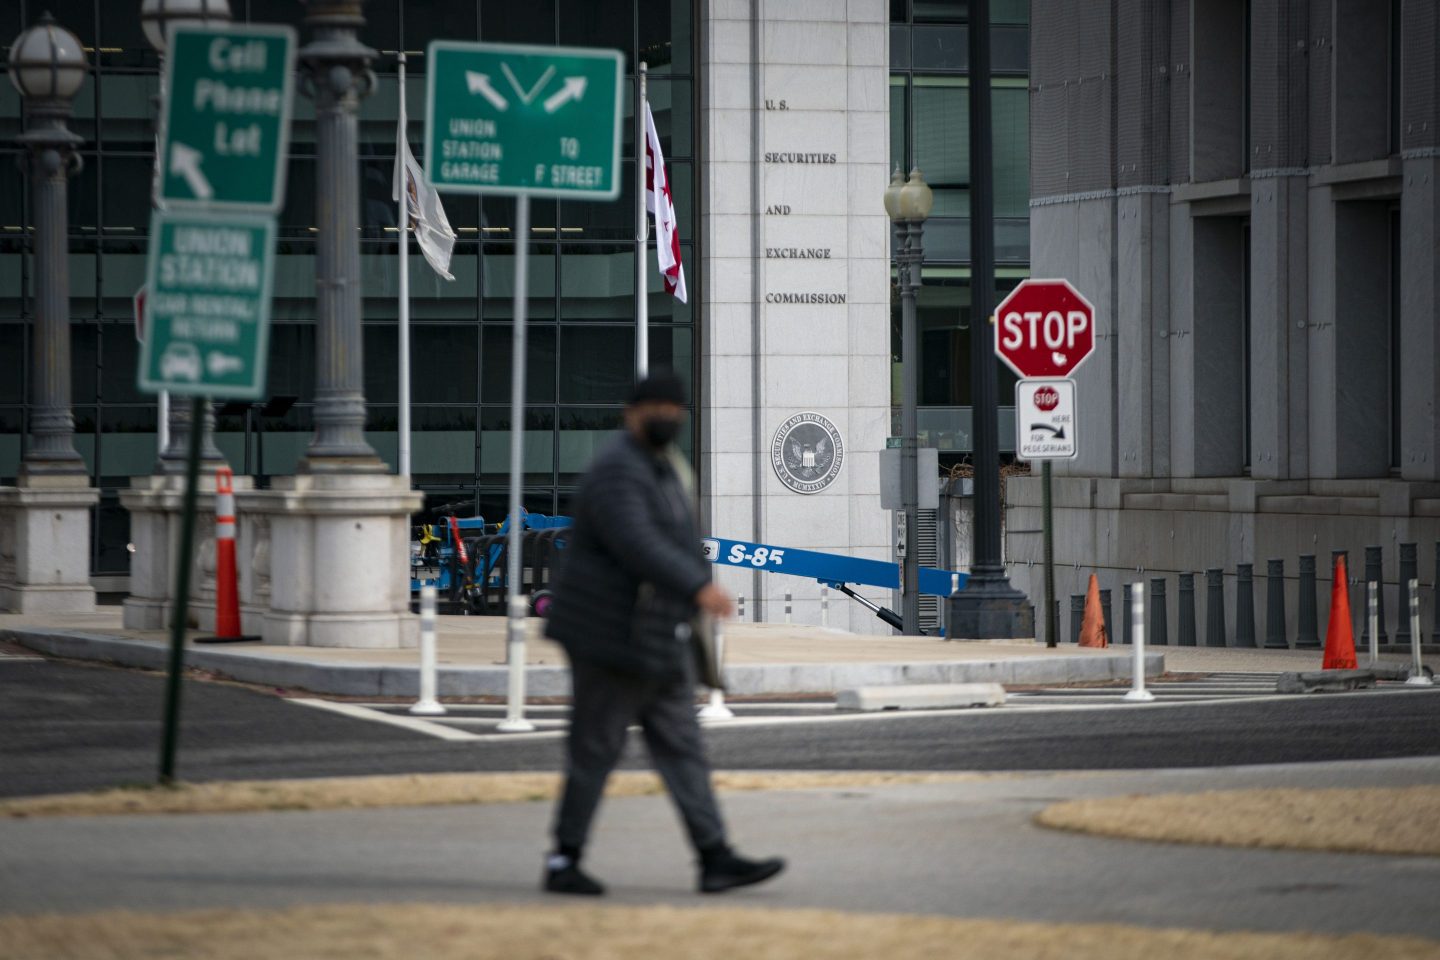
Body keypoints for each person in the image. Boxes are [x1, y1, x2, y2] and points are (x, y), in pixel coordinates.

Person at [542, 371, 785, 896]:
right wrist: (700, 586)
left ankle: (715, 856)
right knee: (596, 749)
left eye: (674, 408)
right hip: (609, 636)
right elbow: (637, 541)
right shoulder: (617, 469)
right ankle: (565, 860)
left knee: (682, 747)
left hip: (657, 634)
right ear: (631, 413)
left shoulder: (663, 468)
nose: (665, 417)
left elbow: (671, 538)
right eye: (654, 407)